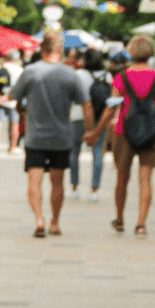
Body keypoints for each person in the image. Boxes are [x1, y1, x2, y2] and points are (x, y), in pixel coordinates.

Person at [11, 31, 92, 238]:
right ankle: (55, 222)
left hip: (35, 137)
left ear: (41, 49)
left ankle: (39, 220)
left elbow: (14, 97)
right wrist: (90, 131)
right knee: (58, 182)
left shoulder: (30, 72)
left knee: (34, 182)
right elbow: (86, 104)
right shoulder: (70, 74)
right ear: (60, 50)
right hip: (61, 136)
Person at [87, 35, 155, 236]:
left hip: (123, 132)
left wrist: (97, 132)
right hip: (151, 132)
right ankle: (141, 223)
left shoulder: (121, 78)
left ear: (131, 52)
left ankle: (120, 219)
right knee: (145, 179)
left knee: (122, 177)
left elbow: (111, 109)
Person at [69, 50, 107, 201]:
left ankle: (74, 187)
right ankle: (94, 190)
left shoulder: (78, 75)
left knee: (74, 152)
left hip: (77, 115)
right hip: (100, 117)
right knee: (98, 152)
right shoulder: (106, 75)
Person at [0, 50, 25, 152]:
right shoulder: (20, 69)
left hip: (1, 96)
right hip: (15, 98)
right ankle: (13, 146)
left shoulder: (2, 68)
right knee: (14, 123)